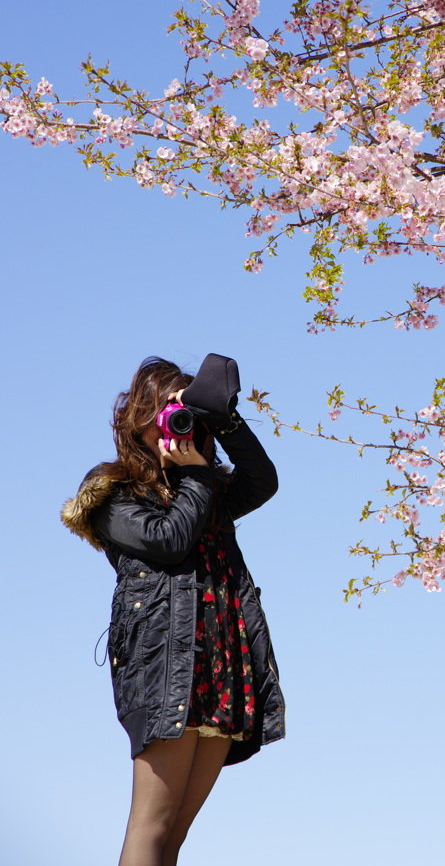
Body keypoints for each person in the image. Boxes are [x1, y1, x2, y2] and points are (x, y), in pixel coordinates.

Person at [61, 356, 285, 866]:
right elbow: (168, 541)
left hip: (223, 662)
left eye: (187, 418)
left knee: (175, 835)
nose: (178, 427)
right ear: (138, 419)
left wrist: (223, 418)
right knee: (151, 825)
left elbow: (263, 480)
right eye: (165, 413)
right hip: (165, 665)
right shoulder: (113, 492)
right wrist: (199, 478)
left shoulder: (206, 490)